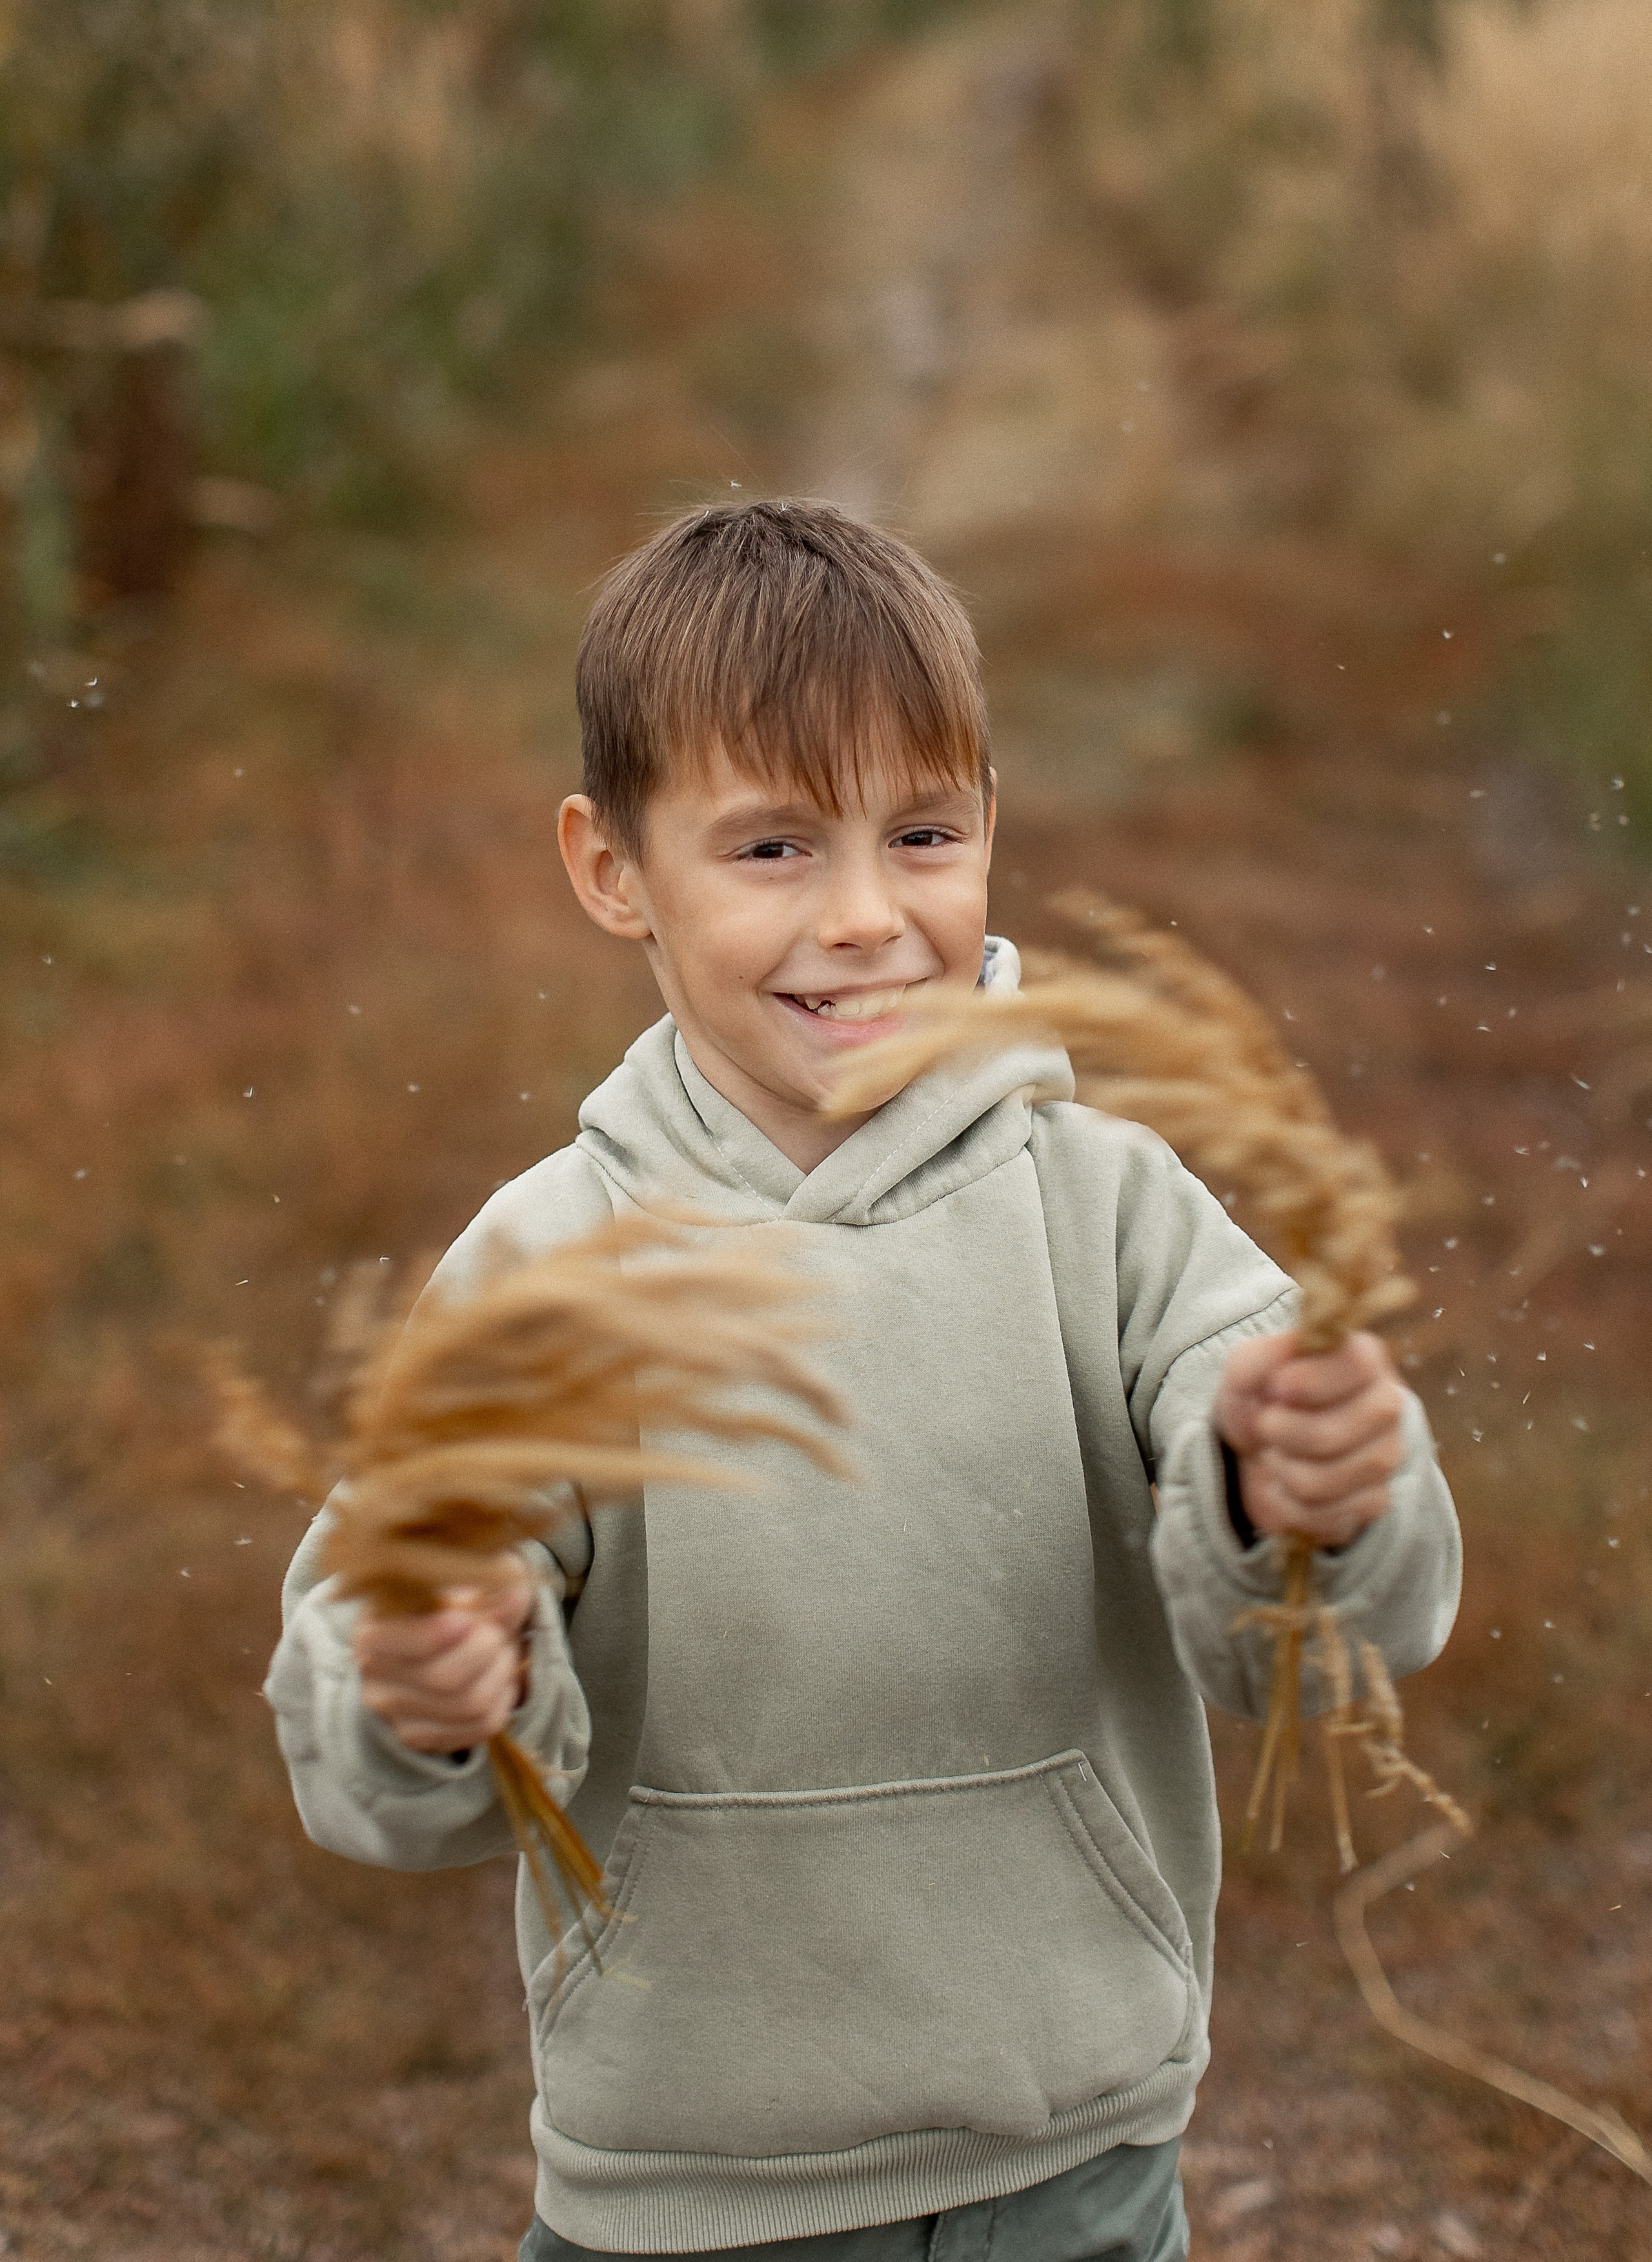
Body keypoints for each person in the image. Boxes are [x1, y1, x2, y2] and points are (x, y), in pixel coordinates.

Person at [268, 500, 1460, 2262]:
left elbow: (1321, 1632)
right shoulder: (548, 1270)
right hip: (687, 2183)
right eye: (771, 848)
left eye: (922, 834)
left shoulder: (1111, 1210)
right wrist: (433, 1680)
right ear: (612, 870)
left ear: (990, 825)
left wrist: (1319, 1495)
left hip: (1074, 2154)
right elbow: (375, 1719)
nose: (866, 918)